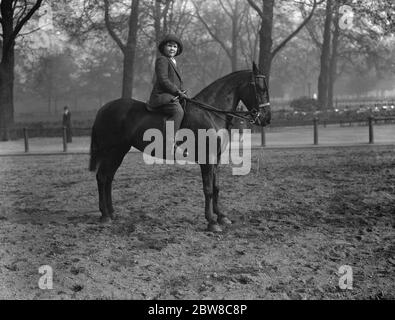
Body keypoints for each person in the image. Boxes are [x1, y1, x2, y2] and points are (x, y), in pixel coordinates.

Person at [148, 34, 188, 156]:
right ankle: (169, 144)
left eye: (175, 46)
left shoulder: (173, 62)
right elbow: (163, 80)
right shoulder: (162, 60)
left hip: (172, 95)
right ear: (163, 47)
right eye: (169, 45)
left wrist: (183, 91)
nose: (172, 48)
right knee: (178, 112)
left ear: (178, 49)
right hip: (162, 95)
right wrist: (178, 92)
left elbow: (176, 82)